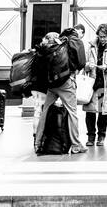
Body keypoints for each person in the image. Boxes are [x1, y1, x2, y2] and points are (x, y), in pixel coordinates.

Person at [34, 25, 87, 154]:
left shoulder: (47, 47)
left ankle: (38, 143)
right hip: (65, 83)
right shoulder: (68, 44)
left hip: (51, 84)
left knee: (45, 111)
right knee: (72, 112)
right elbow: (81, 63)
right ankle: (75, 144)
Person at [84, 23, 107, 146]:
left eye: (105, 36)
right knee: (90, 111)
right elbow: (85, 62)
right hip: (92, 83)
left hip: (105, 83)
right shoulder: (91, 46)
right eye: (101, 36)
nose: (102, 39)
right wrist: (88, 65)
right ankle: (91, 136)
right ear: (97, 35)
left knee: (103, 111)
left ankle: (101, 136)